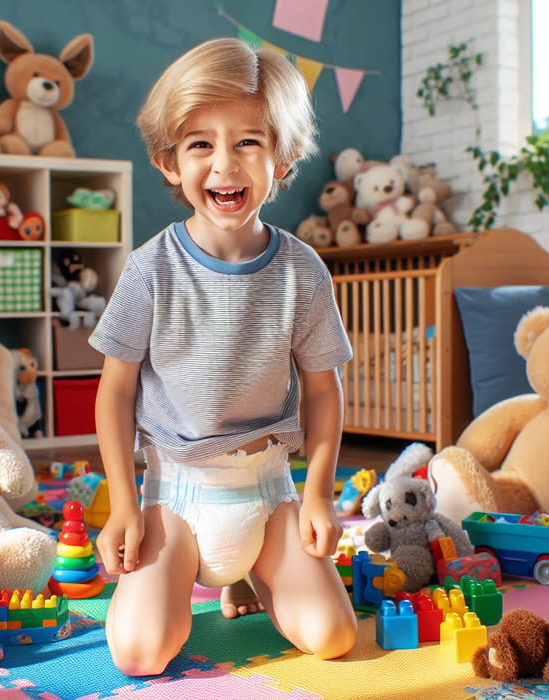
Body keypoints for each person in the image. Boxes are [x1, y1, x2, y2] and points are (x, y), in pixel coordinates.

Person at [89, 36, 358, 677]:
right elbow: (116, 392)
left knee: (333, 638)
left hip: (269, 492)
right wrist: (124, 505)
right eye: (200, 144)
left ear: (282, 157)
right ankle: (201, 581)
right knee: (138, 654)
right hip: (177, 497)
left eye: (248, 142)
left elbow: (323, 390)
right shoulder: (150, 268)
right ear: (169, 162)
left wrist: (318, 494)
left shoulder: (302, 269)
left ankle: (255, 576)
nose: (225, 165)